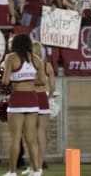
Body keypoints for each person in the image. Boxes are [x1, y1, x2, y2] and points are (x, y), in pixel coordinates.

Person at [1, 34, 46, 176]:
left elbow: (5, 81)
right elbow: (43, 81)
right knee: (31, 138)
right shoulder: (37, 59)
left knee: (15, 138)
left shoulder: (11, 58)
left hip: (17, 100)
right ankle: (36, 170)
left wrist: (17, 82)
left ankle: (12, 171)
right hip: (32, 100)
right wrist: (30, 82)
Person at [21, 42, 55, 175]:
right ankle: (37, 167)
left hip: (30, 98)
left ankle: (34, 166)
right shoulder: (47, 66)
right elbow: (52, 87)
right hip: (43, 99)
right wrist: (48, 97)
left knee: (30, 135)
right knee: (41, 134)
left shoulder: (28, 66)